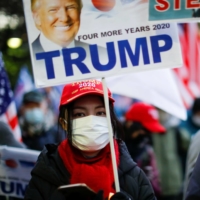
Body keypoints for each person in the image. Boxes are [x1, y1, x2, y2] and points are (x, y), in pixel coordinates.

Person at [24, 79, 156, 200]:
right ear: (64, 123)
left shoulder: (134, 176)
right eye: (80, 114)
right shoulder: (46, 174)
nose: (91, 121)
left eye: (100, 113)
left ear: (110, 120)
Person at [123, 102, 165, 198]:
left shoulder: (146, 151)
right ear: (130, 124)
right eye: (145, 130)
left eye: (150, 132)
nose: (147, 135)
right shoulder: (113, 148)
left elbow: (155, 185)